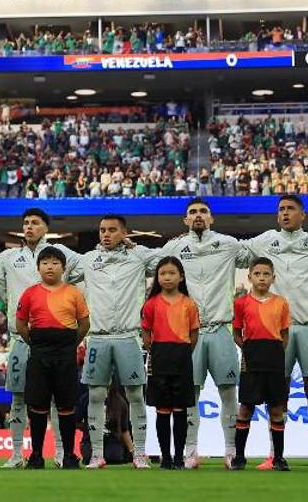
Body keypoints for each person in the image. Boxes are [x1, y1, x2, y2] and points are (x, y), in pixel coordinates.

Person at [242, 195, 308, 470]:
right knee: (278, 393)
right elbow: (236, 253)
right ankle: (275, 455)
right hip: (277, 331)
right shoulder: (264, 241)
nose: (285, 213)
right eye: (281, 209)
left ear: (302, 215)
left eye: (290, 209)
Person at [0, 207, 82, 467]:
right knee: (19, 397)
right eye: (26, 223)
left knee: (58, 398)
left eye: (36, 223)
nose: (30, 227)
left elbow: (86, 268)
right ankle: (17, 454)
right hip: (23, 338)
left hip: (55, 340)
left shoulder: (61, 253)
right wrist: (11, 303)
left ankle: (62, 453)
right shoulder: (8, 257)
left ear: (46, 228)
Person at [160, 198, 244, 467]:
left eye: (203, 212)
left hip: (221, 328)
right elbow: (151, 265)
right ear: (185, 220)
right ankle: (190, 451)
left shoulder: (229, 244)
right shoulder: (173, 247)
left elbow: (260, 252)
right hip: (188, 333)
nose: (198, 216)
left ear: (212, 218)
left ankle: (231, 451)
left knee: (228, 392)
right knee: (189, 394)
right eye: (192, 212)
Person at [80, 214, 165, 469]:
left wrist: (136, 247)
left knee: (136, 395)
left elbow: (168, 261)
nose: (106, 234)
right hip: (98, 337)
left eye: (112, 230)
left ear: (124, 233)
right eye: (102, 229)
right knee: (95, 394)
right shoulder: (87, 260)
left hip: (129, 336)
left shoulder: (138, 257)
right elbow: (59, 265)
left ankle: (140, 453)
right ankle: (96, 454)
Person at [14, 246, 89, 470]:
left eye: (55, 263)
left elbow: (84, 324)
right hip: (39, 354)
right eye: (45, 262)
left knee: (67, 406)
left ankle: (69, 455)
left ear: (63, 268)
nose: (50, 266)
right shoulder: (29, 293)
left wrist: (68, 344)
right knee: (37, 405)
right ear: (38, 268)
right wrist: (37, 343)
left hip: (66, 355)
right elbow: (20, 324)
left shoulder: (73, 292)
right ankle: (36, 455)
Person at [231, 258, 291, 472]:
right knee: (246, 407)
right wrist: (248, 349)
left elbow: (284, 335)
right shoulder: (241, 303)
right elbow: (237, 332)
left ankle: (279, 458)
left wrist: (275, 352)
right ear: (249, 277)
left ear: (273, 278)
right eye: (257, 274)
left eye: (266, 274)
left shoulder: (281, 303)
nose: (262, 278)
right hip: (252, 357)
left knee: (276, 408)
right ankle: (239, 457)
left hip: (274, 357)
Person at [141, 256, 200, 470]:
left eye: (172, 273)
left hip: (182, 358)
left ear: (181, 276)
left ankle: (178, 457)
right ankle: (165, 457)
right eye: (162, 273)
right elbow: (146, 331)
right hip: (159, 358)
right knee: (162, 409)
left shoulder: (189, 304)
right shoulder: (151, 304)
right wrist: (154, 352)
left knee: (180, 410)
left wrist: (183, 352)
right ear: (157, 277)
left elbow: (194, 333)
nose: (167, 277)